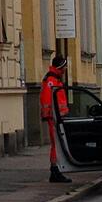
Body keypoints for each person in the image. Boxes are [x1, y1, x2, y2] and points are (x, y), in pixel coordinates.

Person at [40, 55, 72, 183]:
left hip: (57, 118)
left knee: (57, 144)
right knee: (56, 145)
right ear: (59, 68)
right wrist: (51, 116)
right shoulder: (51, 81)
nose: (65, 70)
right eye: (64, 67)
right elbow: (47, 101)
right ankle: (55, 170)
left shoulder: (54, 79)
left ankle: (57, 169)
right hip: (54, 118)